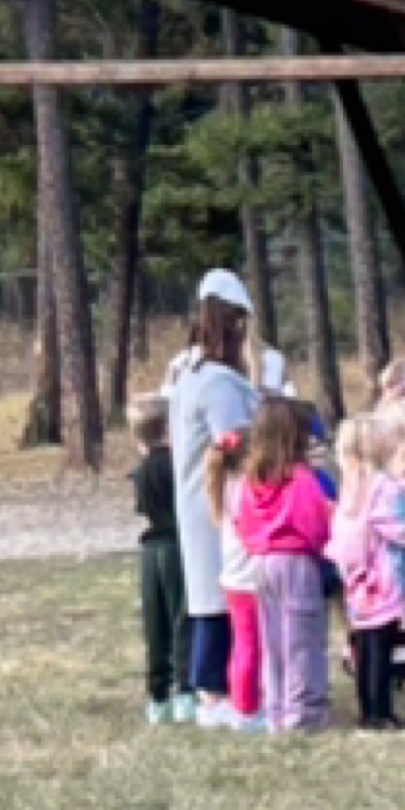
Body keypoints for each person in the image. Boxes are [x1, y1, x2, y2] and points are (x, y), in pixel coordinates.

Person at [161, 270, 258, 724]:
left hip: (201, 498)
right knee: (221, 593)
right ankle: (215, 691)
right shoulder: (218, 383)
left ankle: (212, 688)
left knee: (209, 591)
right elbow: (233, 443)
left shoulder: (190, 373)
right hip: (217, 501)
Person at [229, 393, 336, 735]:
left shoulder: (251, 480)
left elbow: (241, 522)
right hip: (298, 563)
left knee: (273, 638)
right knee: (303, 638)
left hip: (262, 563)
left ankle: (276, 709)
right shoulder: (301, 479)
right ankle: (304, 712)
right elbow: (315, 526)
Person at [328, 406, 405, 732]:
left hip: (356, 579)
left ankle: (367, 710)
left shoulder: (348, 488)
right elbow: (398, 529)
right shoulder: (384, 486)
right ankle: (382, 713)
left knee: (364, 645)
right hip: (384, 576)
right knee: (383, 647)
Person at [128, 393, 186, 724]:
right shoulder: (177, 466)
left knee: (155, 623)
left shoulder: (141, 472)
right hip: (176, 545)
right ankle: (184, 689)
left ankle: (157, 695)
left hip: (150, 549)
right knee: (181, 617)